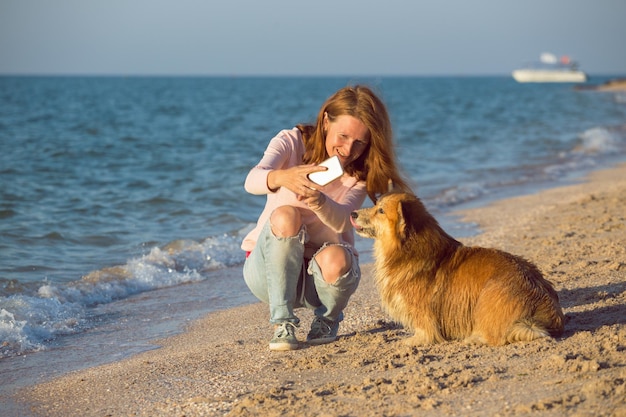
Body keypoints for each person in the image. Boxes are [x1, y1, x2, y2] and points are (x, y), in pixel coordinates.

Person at [242, 85, 410, 351]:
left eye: (359, 142)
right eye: (342, 136)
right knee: (286, 215)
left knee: (338, 256)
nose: (347, 149)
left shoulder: (359, 174)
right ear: (324, 122)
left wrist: (320, 201)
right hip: (268, 274)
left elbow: (343, 221)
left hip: (320, 281)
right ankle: (282, 323)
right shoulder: (292, 141)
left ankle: (328, 319)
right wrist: (284, 177)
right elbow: (251, 181)